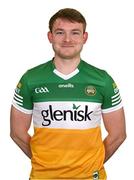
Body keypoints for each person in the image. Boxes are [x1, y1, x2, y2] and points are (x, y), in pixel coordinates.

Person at [10, 8, 126, 180]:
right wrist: (43, 161)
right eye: (59, 32)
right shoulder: (30, 79)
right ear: (50, 36)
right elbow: (17, 133)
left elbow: (118, 135)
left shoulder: (103, 80)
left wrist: (92, 164)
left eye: (75, 33)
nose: (67, 39)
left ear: (84, 37)